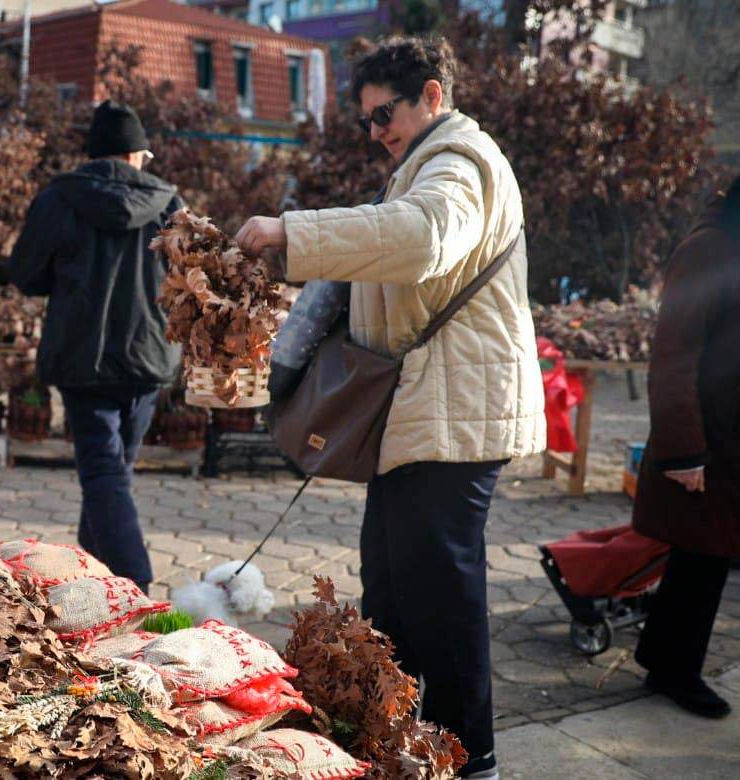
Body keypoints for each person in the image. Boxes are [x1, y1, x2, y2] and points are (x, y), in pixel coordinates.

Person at [235, 37, 545, 779]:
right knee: (392, 589)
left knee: (440, 594)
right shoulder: (425, 162)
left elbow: (422, 239)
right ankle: (398, 737)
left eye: (385, 113)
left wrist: (292, 230)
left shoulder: (458, 162)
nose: (375, 131)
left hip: (457, 415)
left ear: (432, 95)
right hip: (423, 411)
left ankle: (470, 756)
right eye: (366, 119)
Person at [8, 100, 183, 594]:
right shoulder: (169, 204)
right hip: (149, 354)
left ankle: (129, 580)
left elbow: (25, 273)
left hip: (81, 356)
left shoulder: (60, 199)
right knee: (112, 473)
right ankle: (110, 580)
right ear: (134, 155)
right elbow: (190, 276)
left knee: (106, 473)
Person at [631, 175, 740, 719]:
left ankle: (662, 659)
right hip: (706, 439)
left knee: (704, 560)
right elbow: (673, 354)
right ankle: (675, 671)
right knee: (702, 560)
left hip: (728, 438)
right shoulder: (709, 249)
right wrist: (683, 452)